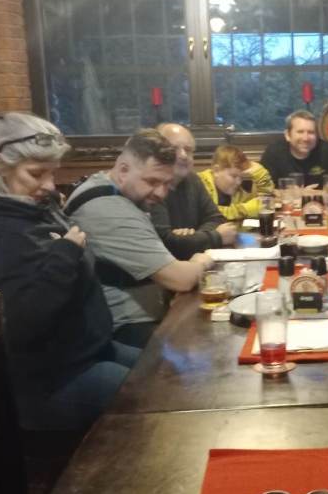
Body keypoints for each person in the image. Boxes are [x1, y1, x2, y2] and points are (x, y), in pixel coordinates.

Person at [0, 113, 140, 431]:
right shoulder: (2, 233)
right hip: (50, 381)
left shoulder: (31, 210)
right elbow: (19, 323)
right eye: (36, 173)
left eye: (52, 173)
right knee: (153, 396)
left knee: (165, 371)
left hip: (85, 353)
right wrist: (66, 254)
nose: (49, 185)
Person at [64, 129, 215, 347]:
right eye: (152, 181)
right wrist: (202, 261)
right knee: (204, 352)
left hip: (144, 317)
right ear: (123, 170)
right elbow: (179, 279)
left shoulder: (113, 188)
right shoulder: (109, 209)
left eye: (166, 184)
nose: (161, 193)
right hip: (123, 328)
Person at [149, 122, 237, 256]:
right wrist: (216, 237)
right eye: (174, 149)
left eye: (188, 149)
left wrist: (193, 237)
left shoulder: (193, 179)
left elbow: (216, 219)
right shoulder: (150, 187)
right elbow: (166, 243)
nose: (183, 155)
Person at [259, 110, 328, 191]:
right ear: (288, 135)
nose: (306, 138)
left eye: (311, 132)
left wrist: (312, 195)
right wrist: (296, 194)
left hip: (321, 203)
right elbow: (262, 189)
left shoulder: (327, 150)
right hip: (285, 203)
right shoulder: (274, 152)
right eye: (300, 132)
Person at [198, 143, 275, 221]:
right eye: (234, 176)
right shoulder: (199, 184)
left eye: (241, 177)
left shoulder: (240, 191)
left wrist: (259, 171)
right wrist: (245, 210)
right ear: (216, 170)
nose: (238, 182)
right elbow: (209, 213)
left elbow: (266, 198)